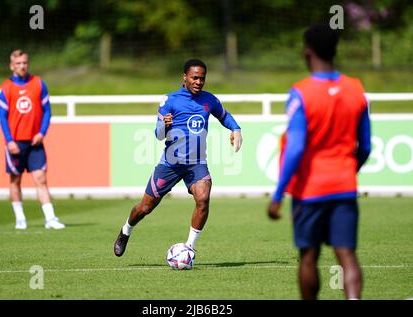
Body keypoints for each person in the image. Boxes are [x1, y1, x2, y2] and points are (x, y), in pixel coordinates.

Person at [267, 24, 371, 300]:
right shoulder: (356, 89)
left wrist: (278, 194)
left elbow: (296, 147)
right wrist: (349, 170)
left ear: (307, 51)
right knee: (347, 255)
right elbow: (366, 146)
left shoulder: (301, 93)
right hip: (344, 187)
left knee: (309, 256)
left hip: (310, 190)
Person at [114, 59, 243, 257]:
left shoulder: (210, 100)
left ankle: (189, 247)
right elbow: (158, 135)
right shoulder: (170, 100)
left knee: (203, 198)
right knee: (145, 207)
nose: (199, 82)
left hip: (196, 163)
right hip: (170, 164)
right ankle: (125, 231)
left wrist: (235, 128)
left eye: (202, 78)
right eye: (194, 78)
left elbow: (224, 116)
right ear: (184, 77)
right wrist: (163, 125)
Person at [0, 49, 65, 230]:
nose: (22, 66)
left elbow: (47, 111)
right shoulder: (5, 88)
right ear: (12, 66)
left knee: (41, 178)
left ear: (28, 63)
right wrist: (9, 140)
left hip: (36, 141)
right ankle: (20, 218)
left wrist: (42, 132)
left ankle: (50, 218)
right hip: (15, 143)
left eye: (24, 63)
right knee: (15, 180)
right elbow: (2, 118)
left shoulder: (38, 84)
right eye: (18, 63)